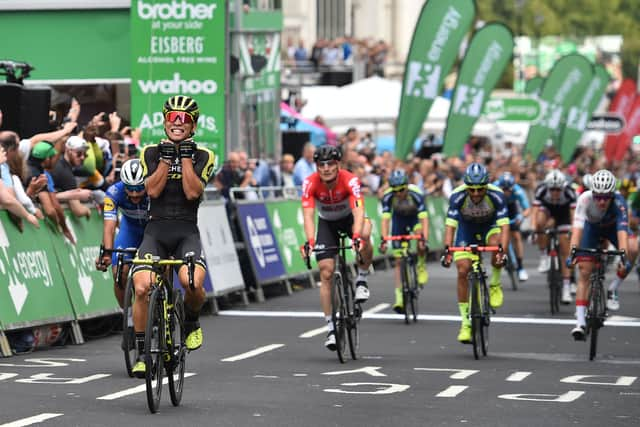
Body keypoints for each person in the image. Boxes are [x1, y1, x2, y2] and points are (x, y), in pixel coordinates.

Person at [130, 95, 216, 378]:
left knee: (191, 282)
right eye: (172, 118)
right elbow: (152, 192)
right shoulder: (150, 152)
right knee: (142, 287)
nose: (177, 124)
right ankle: (143, 353)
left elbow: (193, 192)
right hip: (156, 230)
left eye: (184, 119)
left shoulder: (204, 155)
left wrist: (186, 158)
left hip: (185, 231)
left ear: (193, 126)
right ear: (165, 121)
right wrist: (167, 161)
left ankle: (191, 321)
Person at [300, 145, 373, 351]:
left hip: (350, 219)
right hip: (327, 223)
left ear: (338, 164)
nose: (326, 168)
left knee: (366, 233)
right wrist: (310, 241)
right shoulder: (310, 182)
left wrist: (356, 236)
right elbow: (308, 215)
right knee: (326, 272)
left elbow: (359, 211)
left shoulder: (350, 180)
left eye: (330, 164)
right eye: (321, 164)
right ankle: (331, 329)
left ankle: (362, 279)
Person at [441, 163, 509, 344]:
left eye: (481, 189)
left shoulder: (497, 195)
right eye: (472, 189)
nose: (476, 194)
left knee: (497, 245)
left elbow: (505, 227)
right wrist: (447, 250)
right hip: (466, 230)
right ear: (467, 186)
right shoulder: (457, 196)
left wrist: (503, 251)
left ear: (487, 186)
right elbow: (450, 227)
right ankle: (465, 323)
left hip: (490, 227)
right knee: (463, 270)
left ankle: (495, 283)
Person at [568, 169, 637, 340]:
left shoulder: (620, 202)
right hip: (592, 229)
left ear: (612, 195)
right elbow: (577, 229)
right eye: (598, 196)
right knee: (585, 271)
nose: (601, 201)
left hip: (613, 229)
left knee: (633, 248)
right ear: (592, 193)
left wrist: (623, 256)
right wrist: (573, 252)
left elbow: (622, 233)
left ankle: (613, 288)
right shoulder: (584, 199)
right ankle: (580, 323)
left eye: (606, 197)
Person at [95, 159, 148, 318]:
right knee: (119, 272)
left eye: (139, 189)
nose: (134, 194)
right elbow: (109, 226)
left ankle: (165, 305)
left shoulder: (155, 189)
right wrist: (106, 253)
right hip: (129, 231)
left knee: (162, 267)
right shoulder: (113, 192)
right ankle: (130, 315)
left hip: (153, 231)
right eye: (130, 189)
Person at [378, 169, 429, 313]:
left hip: (414, 219)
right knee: (399, 261)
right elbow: (385, 220)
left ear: (407, 185)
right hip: (398, 221)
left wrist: (424, 239)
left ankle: (421, 265)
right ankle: (399, 296)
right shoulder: (388, 196)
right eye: (396, 190)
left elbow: (424, 219)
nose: (399, 193)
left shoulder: (416, 194)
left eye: (402, 189)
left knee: (420, 238)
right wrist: (384, 239)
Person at [531, 169, 576, 303]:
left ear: (563, 187)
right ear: (547, 187)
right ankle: (544, 255)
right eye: (552, 189)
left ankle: (566, 288)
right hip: (548, 211)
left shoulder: (570, 192)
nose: (555, 192)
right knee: (539, 222)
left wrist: (572, 231)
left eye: (558, 189)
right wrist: (534, 229)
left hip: (564, 215)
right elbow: (534, 212)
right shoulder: (541, 190)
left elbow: (574, 216)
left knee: (565, 250)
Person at [494, 171, 531, 281]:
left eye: (508, 190)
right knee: (498, 236)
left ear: (512, 188)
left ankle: (520, 267)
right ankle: (501, 257)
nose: (506, 192)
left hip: (511, 208)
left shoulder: (518, 191)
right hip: (498, 207)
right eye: (503, 189)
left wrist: (521, 217)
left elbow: (527, 209)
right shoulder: (494, 188)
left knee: (516, 236)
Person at [49, 136, 94, 219]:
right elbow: (78, 211)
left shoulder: (61, 163)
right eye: (79, 153)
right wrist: (87, 210)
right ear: (69, 151)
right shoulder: (65, 173)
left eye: (85, 154)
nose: (82, 157)